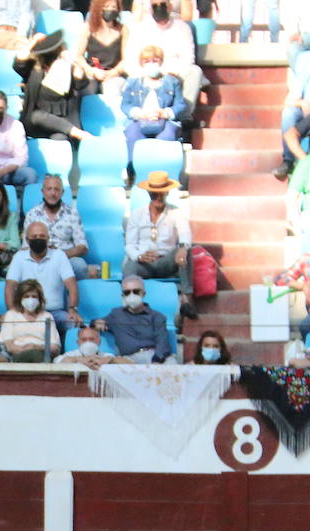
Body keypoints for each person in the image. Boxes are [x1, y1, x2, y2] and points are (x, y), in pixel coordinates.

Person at [124, 171, 193, 312]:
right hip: (144, 262)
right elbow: (130, 245)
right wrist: (139, 256)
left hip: (166, 261)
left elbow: (185, 232)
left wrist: (183, 248)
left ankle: (187, 298)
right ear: (149, 194)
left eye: (161, 193)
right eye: (154, 194)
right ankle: (130, 305)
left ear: (167, 193)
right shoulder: (137, 214)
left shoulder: (176, 212)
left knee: (185, 251)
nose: (158, 197)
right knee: (130, 266)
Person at [124, 0, 201, 117]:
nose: (159, 8)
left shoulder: (183, 28)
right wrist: (148, 73)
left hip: (174, 72)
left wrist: (171, 73)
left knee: (195, 71)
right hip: (146, 74)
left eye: (163, 5)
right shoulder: (140, 28)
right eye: (155, 6)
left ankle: (183, 116)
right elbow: (131, 60)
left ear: (170, 7)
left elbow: (188, 58)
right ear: (149, 9)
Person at [15, 31, 93, 143]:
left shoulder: (67, 68)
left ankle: (74, 133)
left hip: (65, 122)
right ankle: (76, 132)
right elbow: (19, 60)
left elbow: (80, 82)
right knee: (37, 116)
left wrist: (74, 62)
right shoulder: (33, 69)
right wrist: (34, 41)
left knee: (60, 139)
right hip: (37, 123)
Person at [5, 220, 81, 334]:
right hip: (26, 312)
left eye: (42, 236)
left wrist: (72, 309)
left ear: (48, 238)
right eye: (34, 236)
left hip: (55, 313)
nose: (38, 238)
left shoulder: (59, 255)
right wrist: (13, 313)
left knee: (73, 324)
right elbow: (9, 288)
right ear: (27, 239)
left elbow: (72, 285)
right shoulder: (19, 257)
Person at [121, 44, 187, 162]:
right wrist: (139, 113)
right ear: (141, 63)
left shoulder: (172, 82)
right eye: (147, 61)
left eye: (155, 61)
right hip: (138, 119)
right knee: (133, 136)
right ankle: (132, 169)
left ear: (161, 62)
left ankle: (163, 171)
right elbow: (125, 105)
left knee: (167, 137)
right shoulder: (132, 82)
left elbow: (180, 105)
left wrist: (164, 113)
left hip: (166, 120)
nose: (151, 64)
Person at [92, 275, 175, 363]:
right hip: (129, 359)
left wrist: (155, 361)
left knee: (172, 363)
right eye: (127, 292)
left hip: (154, 356)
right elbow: (95, 323)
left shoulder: (157, 316)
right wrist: (97, 323)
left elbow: (162, 343)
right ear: (123, 295)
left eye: (136, 291)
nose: (132, 295)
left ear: (143, 293)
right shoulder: (115, 315)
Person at [23, 174, 90, 280]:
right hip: (39, 258)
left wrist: (60, 255)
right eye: (49, 189)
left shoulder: (72, 213)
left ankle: (73, 296)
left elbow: (83, 247)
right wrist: (44, 254)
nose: (53, 193)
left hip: (66, 258)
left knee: (80, 265)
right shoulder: (32, 214)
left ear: (62, 193)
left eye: (56, 189)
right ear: (43, 191)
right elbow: (25, 247)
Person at [76, 0, 129, 105]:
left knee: (113, 91)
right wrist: (91, 71)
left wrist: (114, 72)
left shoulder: (123, 29)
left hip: (114, 74)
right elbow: (79, 56)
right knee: (88, 91)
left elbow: (125, 59)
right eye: (106, 6)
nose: (110, 9)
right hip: (92, 72)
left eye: (113, 7)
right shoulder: (87, 28)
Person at [0, 279, 61, 361]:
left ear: (39, 299)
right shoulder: (11, 315)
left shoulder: (47, 316)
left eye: (34, 296)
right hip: (17, 355)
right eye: (26, 296)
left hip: (42, 354)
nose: (30, 300)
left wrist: (36, 347)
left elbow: (54, 347)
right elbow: (8, 346)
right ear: (20, 298)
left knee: (36, 355)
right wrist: (26, 350)